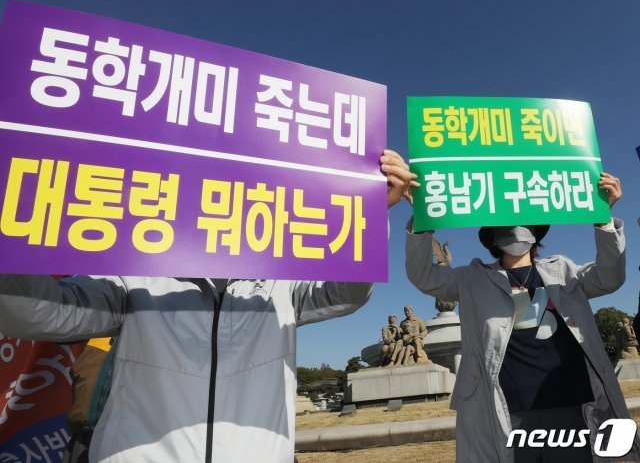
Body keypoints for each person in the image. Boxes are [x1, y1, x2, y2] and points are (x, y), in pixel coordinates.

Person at [0, 150, 418, 463]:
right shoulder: (134, 276)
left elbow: (345, 293)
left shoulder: (281, 285)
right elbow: (39, 312)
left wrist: (368, 211)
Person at [405, 172, 640, 462]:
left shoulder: (563, 271)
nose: (515, 231)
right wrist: (421, 223)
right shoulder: (471, 278)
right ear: (491, 237)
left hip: (569, 403)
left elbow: (609, 277)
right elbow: (424, 277)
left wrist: (604, 221)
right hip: (506, 408)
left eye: (523, 223)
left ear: (536, 233)